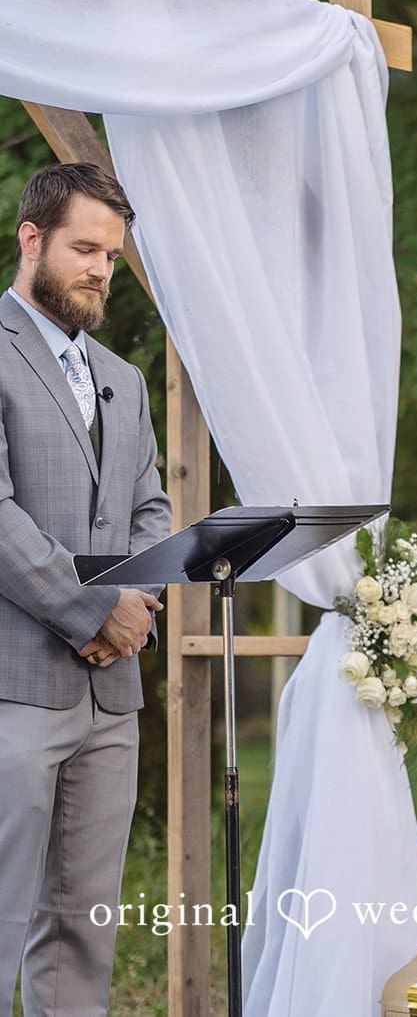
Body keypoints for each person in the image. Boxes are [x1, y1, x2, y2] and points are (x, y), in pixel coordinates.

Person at [0, 162, 171, 1015]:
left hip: (111, 697)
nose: (101, 269)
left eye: (111, 254)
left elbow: (153, 508)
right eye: (85, 248)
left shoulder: (123, 379)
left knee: (82, 936)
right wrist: (97, 608)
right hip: (15, 686)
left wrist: (132, 612)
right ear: (31, 238)